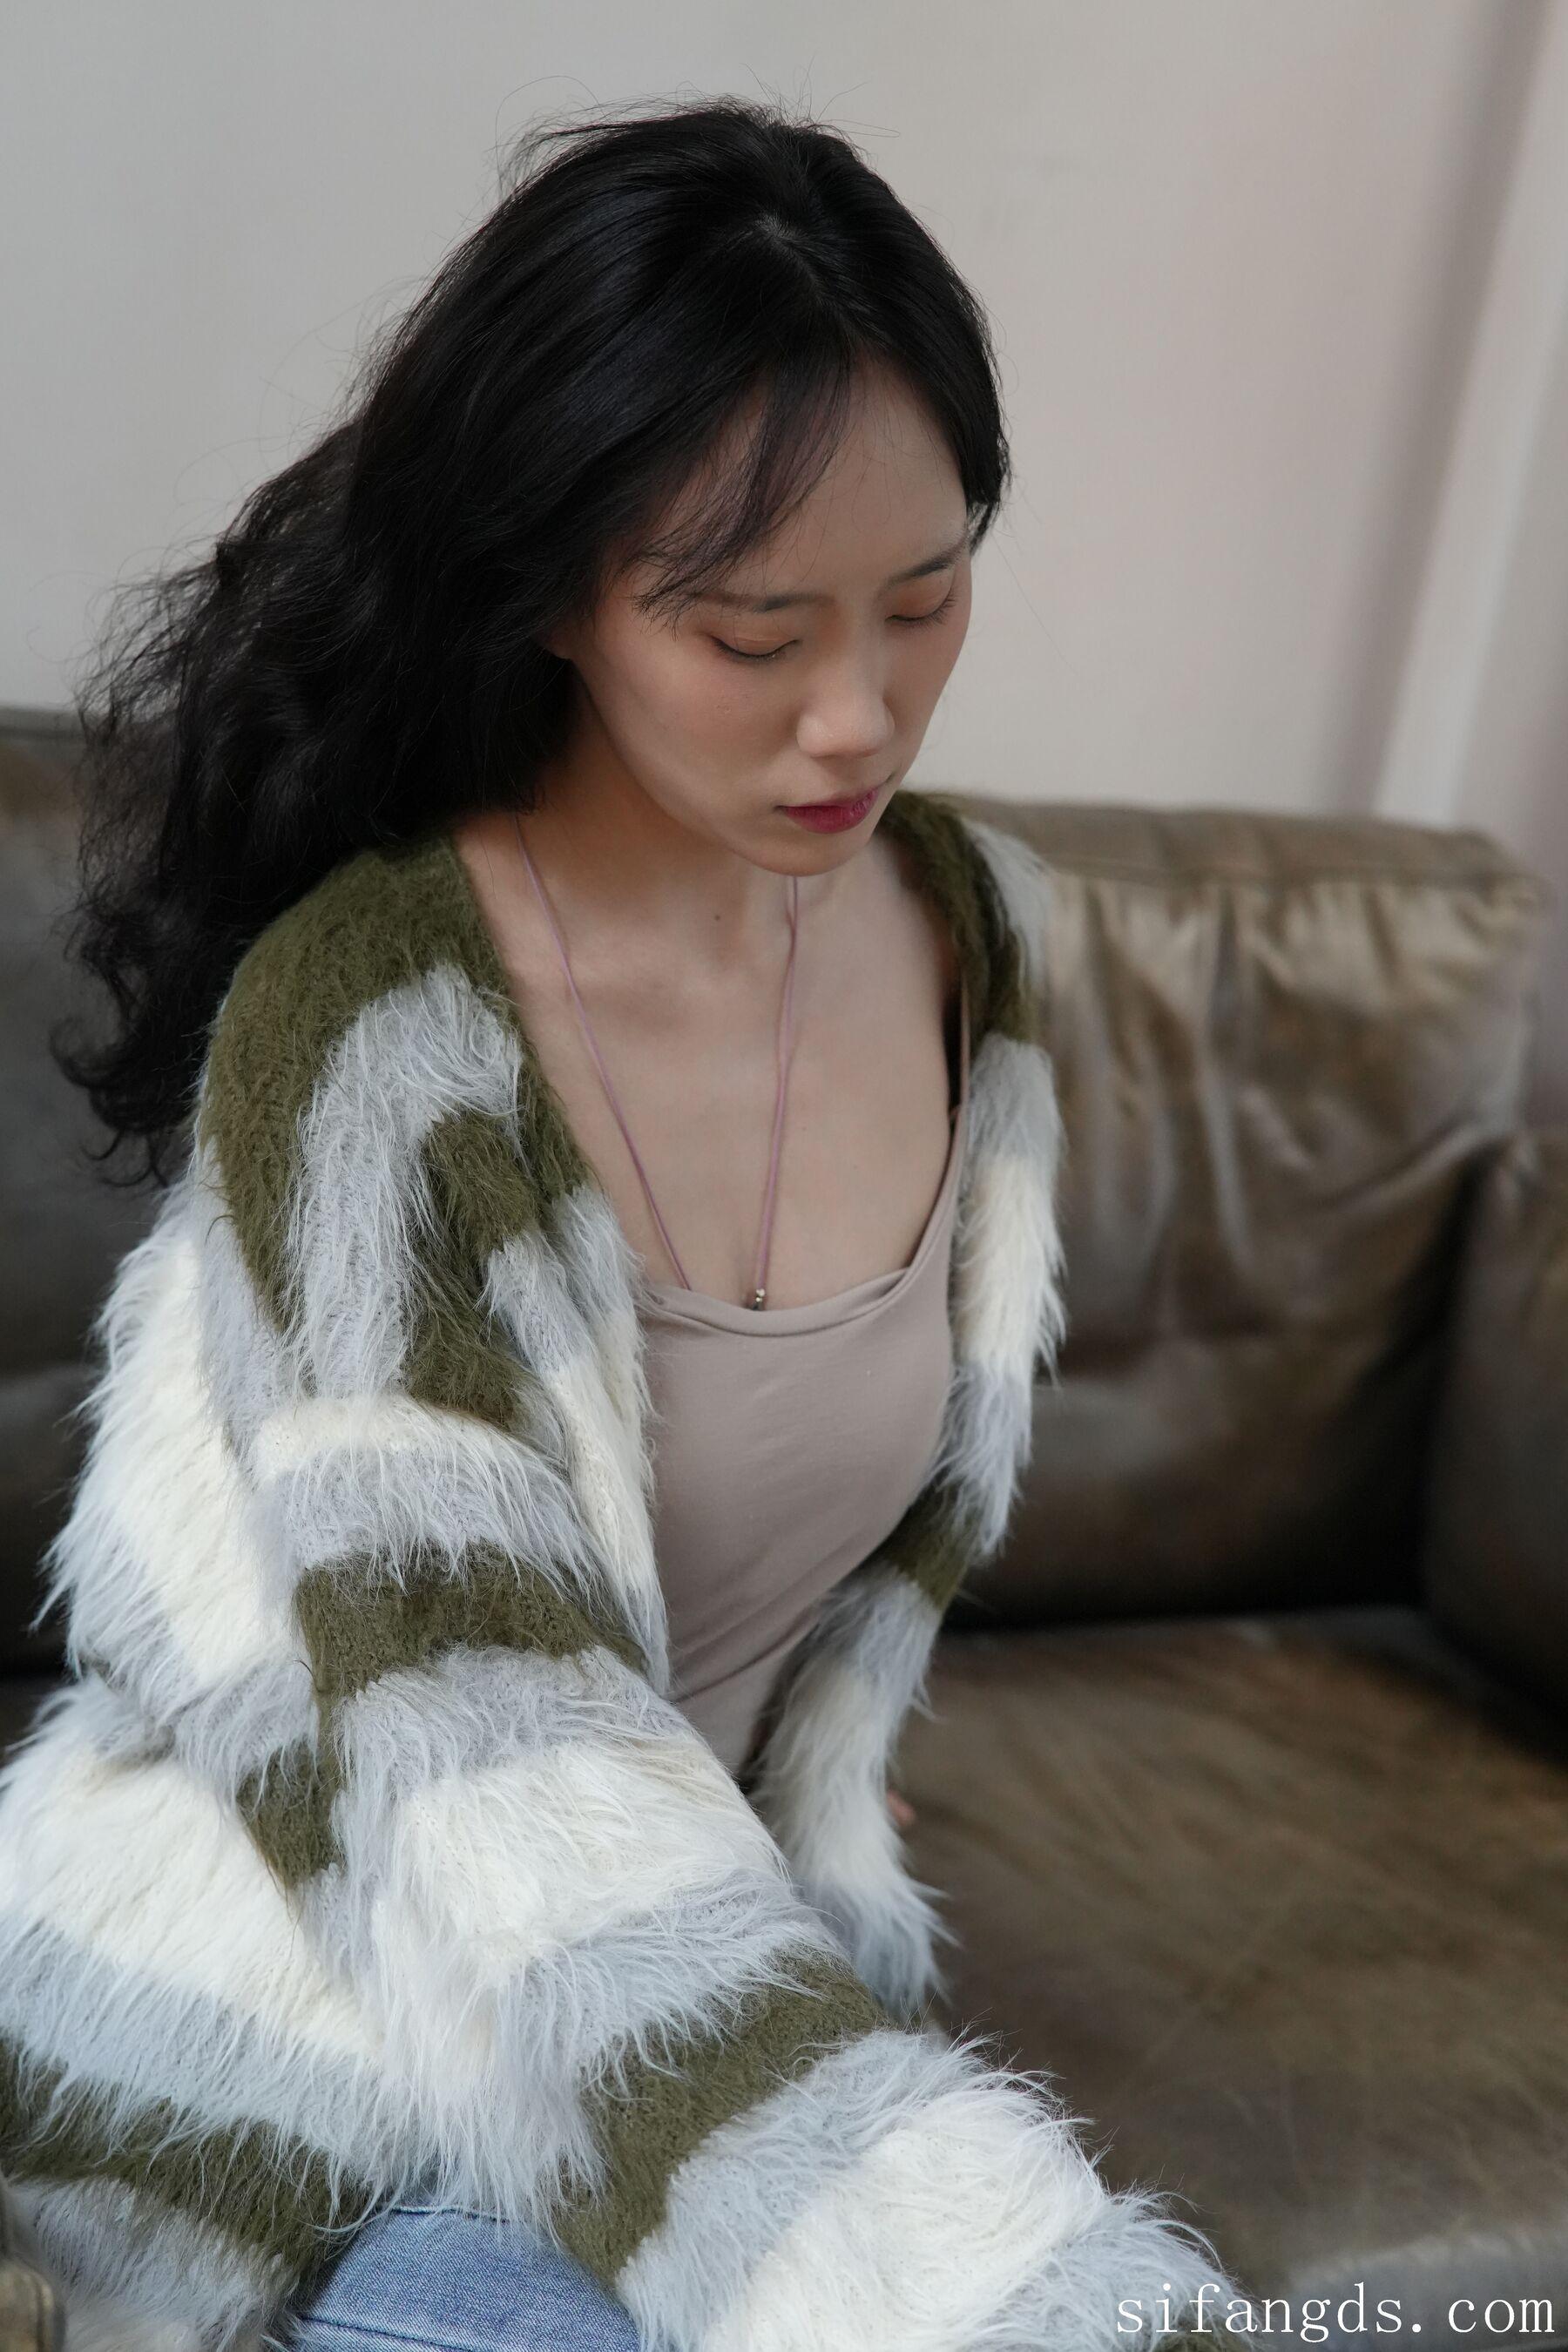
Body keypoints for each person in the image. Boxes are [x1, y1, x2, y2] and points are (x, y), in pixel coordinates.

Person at [0, 95, 1246, 2352]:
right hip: (307, 2029)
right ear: (555, 590)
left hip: (668, 1951)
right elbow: (494, 1756)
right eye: (754, 632)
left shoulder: (971, 934)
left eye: (927, 597)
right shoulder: (380, 1034)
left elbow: (820, 1606)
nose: (860, 712)